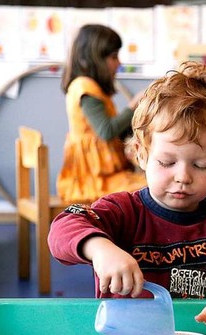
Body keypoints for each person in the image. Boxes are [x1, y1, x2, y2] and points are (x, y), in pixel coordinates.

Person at [48, 62, 206, 335]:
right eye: (167, 162)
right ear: (141, 154)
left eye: (201, 166)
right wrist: (100, 248)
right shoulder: (123, 211)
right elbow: (63, 228)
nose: (183, 177)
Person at [57, 24, 146, 203]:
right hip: (92, 179)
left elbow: (115, 131)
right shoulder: (85, 89)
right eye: (114, 57)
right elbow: (106, 131)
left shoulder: (92, 88)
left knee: (155, 186)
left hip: (102, 175)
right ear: (94, 59)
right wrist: (134, 105)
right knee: (151, 189)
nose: (119, 63)